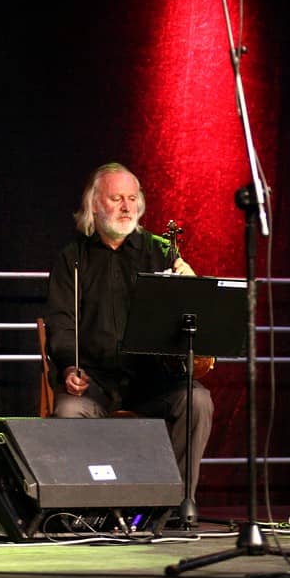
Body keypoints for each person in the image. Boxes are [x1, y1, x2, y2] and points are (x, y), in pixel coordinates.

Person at [45, 162, 214, 508]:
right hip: (94, 380)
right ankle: (82, 511)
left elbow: (190, 321)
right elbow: (61, 323)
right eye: (116, 198)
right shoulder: (72, 257)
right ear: (94, 205)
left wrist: (192, 289)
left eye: (132, 199)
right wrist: (68, 367)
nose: (126, 207)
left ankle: (174, 505)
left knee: (197, 400)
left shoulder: (161, 251)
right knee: (68, 410)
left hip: (152, 379)